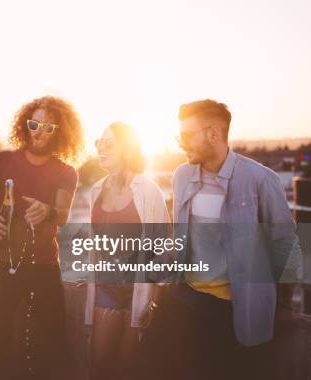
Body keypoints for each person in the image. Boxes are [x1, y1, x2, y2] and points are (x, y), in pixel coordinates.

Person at [135, 99, 301, 380]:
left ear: (213, 133)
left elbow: (285, 246)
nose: (180, 143)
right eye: (179, 136)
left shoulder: (260, 179)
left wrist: (283, 306)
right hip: (185, 302)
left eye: (186, 136)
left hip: (235, 312)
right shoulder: (182, 176)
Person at [0, 95, 83, 379]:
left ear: (60, 132)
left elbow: (64, 215)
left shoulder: (66, 172)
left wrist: (48, 210)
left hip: (43, 266)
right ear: (25, 125)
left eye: (48, 127)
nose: (39, 132)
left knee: (51, 346)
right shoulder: (1, 161)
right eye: (34, 124)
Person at [84, 122, 170, 379]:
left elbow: (166, 247)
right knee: (99, 368)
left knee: (128, 368)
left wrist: (154, 297)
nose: (102, 147)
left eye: (110, 143)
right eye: (99, 142)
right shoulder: (95, 191)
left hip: (139, 293)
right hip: (106, 291)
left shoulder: (148, 191)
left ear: (128, 149)